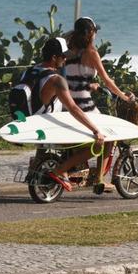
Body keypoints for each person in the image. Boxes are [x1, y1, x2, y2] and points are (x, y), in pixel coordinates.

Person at [64, 16, 134, 192]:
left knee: (92, 139)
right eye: (95, 31)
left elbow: (74, 79)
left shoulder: (68, 51)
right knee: (109, 138)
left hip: (67, 103)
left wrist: (91, 85)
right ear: (90, 33)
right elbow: (108, 80)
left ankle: (85, 172)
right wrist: (124, 97)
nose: (95, 35)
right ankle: (100, 179)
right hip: (84, 106)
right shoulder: (91, 53)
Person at [31, 37, 106, 192]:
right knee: (97, 144)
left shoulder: (33, 70)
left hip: (32, 122)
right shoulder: (56, 79)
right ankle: (60, 171)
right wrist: (95, 130)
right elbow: (73, 108)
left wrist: (89, 86)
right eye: (63, 56)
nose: (65, 59)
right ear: (54, 58)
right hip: (49, 127)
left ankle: (45, 167)